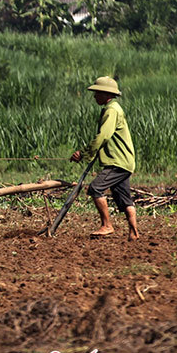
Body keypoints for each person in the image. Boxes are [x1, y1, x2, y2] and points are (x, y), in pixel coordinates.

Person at [70, 76, 139, 241]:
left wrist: (85, 153)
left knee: (95, 189)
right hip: (125, 162)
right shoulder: (114, 108)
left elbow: (103, 136)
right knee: (124, 198)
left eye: (97, 93)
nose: (94, 97)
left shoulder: (111, 110)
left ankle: (107, 225)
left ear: (105, 94)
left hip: (117, 161)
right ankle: (134, 233)